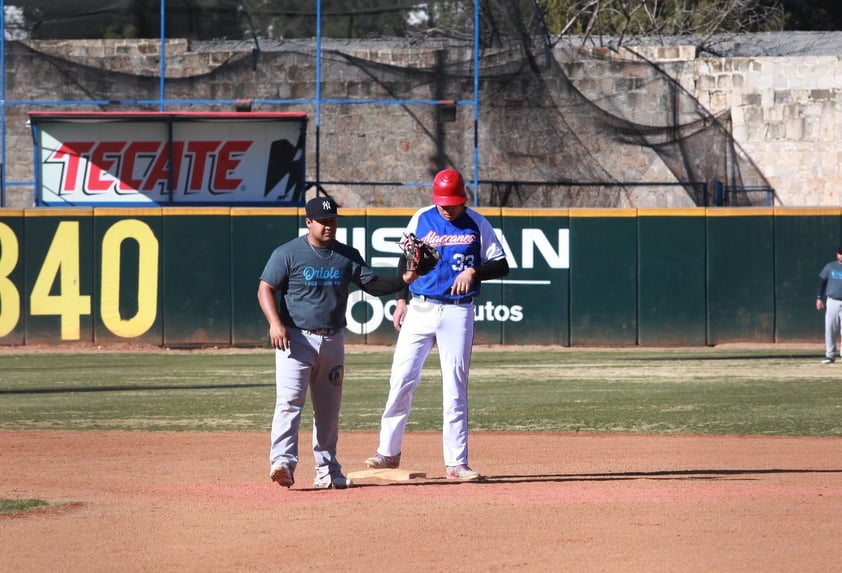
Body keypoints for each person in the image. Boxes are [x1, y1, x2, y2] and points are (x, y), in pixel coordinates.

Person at [258, 196, 418, 489]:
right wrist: (275, 323)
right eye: (323, 221)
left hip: (332, 339)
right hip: (295, 339)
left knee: (329, 411)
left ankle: (328, 471)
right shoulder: (288, 253)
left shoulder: (346, 254)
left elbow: (373, 285)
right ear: (309, 222)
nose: (329, 226)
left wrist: (407, 278)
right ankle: (282, 463)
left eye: (333, 220)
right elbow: (265, 288)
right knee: (290, 403)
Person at [364, 168, 510, 481]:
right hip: (419, 307)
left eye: (452, 202)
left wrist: (476, 272)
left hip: (458, 311)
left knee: (455, 387)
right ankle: (388, 452)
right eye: (442, 202)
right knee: (401, 378)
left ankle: (456, 463)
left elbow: (502, 264)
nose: (446, 207)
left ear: (463, 198)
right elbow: (407, 261)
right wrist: (401, 300)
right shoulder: (421, 217)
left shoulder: (476, 222)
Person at [817, 245, 842, 364]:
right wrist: (819, 298)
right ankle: (830, 355)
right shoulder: (830, 266)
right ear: (837, 254)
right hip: (833, 301)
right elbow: (822, 283)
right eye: (840, 253)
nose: (841, 255)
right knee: (830, 329)